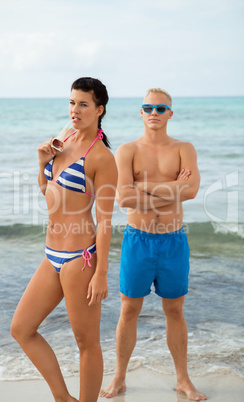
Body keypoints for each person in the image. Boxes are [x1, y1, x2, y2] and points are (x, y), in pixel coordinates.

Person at [11, 77, 118, 402]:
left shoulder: (101, 158)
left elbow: (105, 221)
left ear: (99, 110)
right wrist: (41, 162)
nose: (75, 110)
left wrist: (100, 273)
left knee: (86, 342)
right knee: (21, 329)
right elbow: (48, 191)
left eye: (83, 104)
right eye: (72, 102)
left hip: (79, 261)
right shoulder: (64, 136)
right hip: (51, 255)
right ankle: (63, 397)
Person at [100, 88, 207, 401]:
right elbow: (123, 197)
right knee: (129, 309)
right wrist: (174, 185)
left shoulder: (184, 148)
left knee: (175, 310)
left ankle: (183, 380)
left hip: (174, 240)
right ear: (141, 112)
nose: (154, 113)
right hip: (138, 240)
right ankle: (119, 377)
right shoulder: (127, 150)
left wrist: (144, 186)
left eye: (161, 108)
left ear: (170, 113)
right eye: (148, 107)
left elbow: (191, 192)